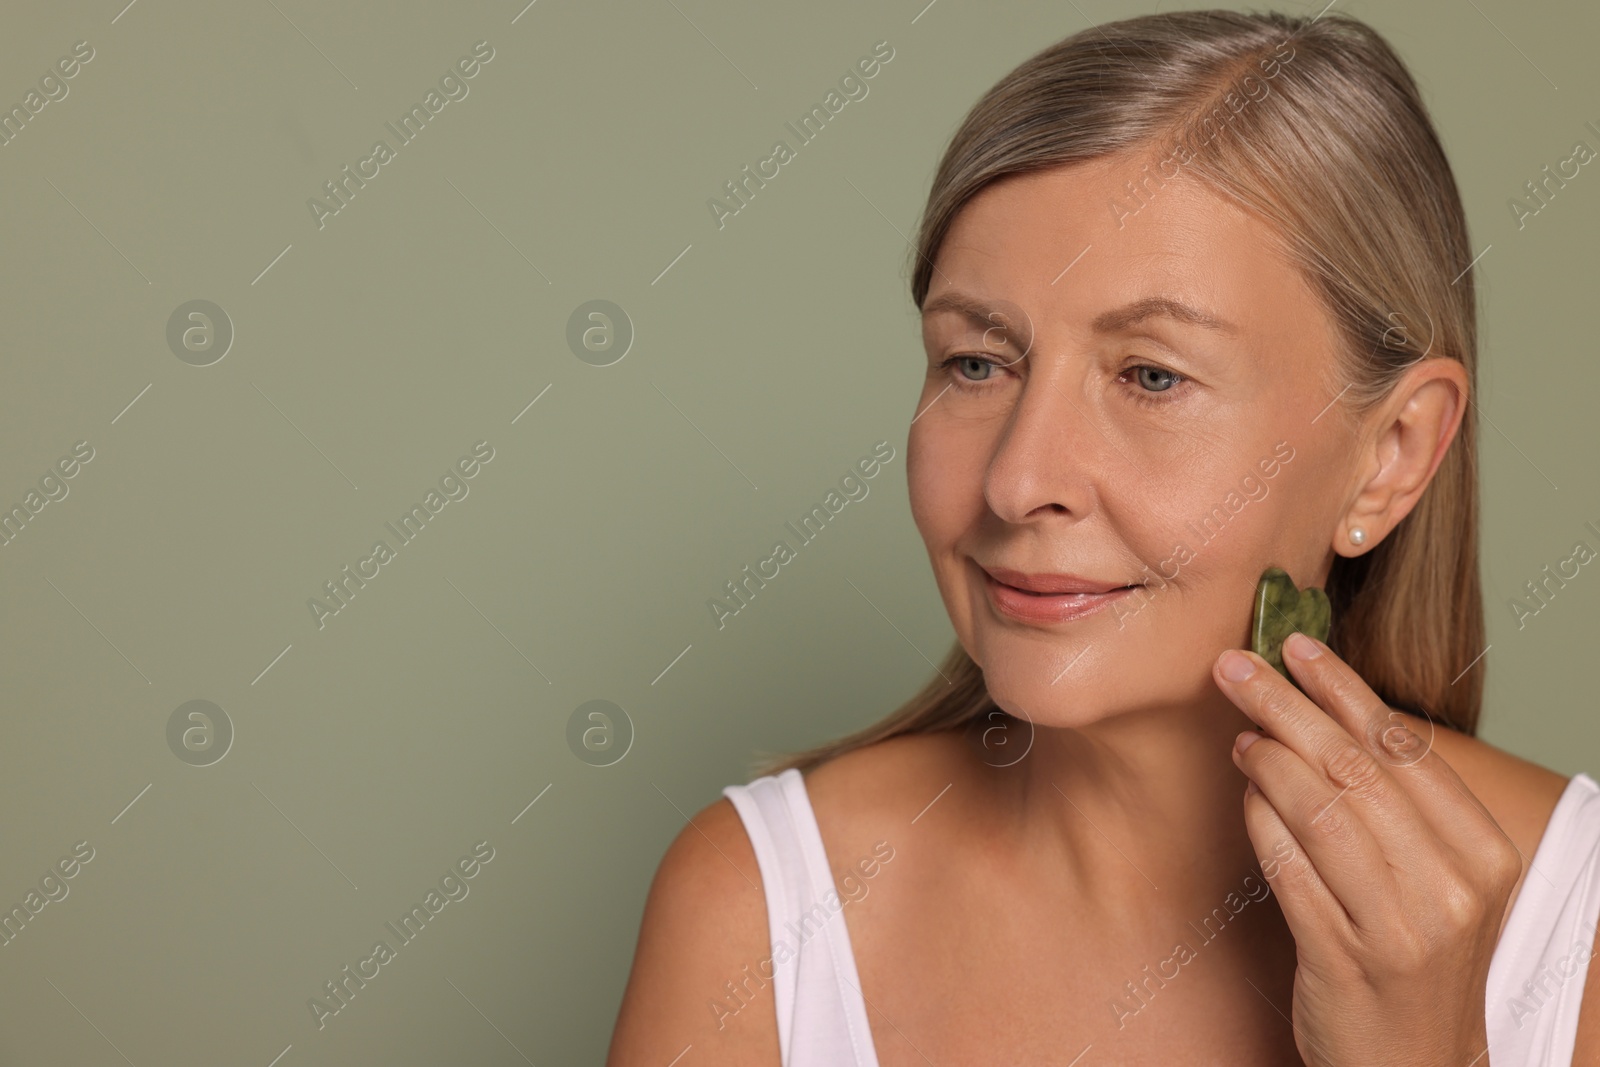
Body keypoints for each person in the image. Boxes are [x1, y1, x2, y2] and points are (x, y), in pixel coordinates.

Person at [608, 9, 1600, 1065]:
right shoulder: (754, 911)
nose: (1017, 479)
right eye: (975, 362)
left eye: (1151, 375)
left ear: (1391, 453)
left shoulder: (1574, 930)